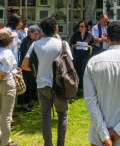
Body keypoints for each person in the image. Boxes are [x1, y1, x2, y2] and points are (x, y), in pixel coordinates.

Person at [22, 17, 73, 146]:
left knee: (45, 115)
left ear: (42, 31)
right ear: (56, 28)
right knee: (62, 114)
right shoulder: (63, 44)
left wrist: (37, 70)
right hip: (61, 85)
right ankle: (60, 143)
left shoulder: (36, 44)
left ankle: (48, 144)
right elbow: (70, 65)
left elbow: (24, 65)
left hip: (42, 84)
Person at [18, 25, 40, 112]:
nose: (36, 36)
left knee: (31, 85)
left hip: (31, 66)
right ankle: (24, 104)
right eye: (35, 34)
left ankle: (29, 101)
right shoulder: (26, 41)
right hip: (25, 66)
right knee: (26, 85)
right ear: (30, 33)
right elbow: (27, 53)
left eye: (37, 34)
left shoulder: (32, 40)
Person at [69, 21, 94, 89]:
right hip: (77, 56)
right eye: (79, 26)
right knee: (77, 70)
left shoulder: (90, 36)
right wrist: (74, 46)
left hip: (85, 57)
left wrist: (89, 47)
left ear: (86, 28)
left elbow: (93, 46)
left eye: (82, 26)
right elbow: (70, 44)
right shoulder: (75, 35)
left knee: (84, 70)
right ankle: (77, 85)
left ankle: (84, 86)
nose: (80, 28)